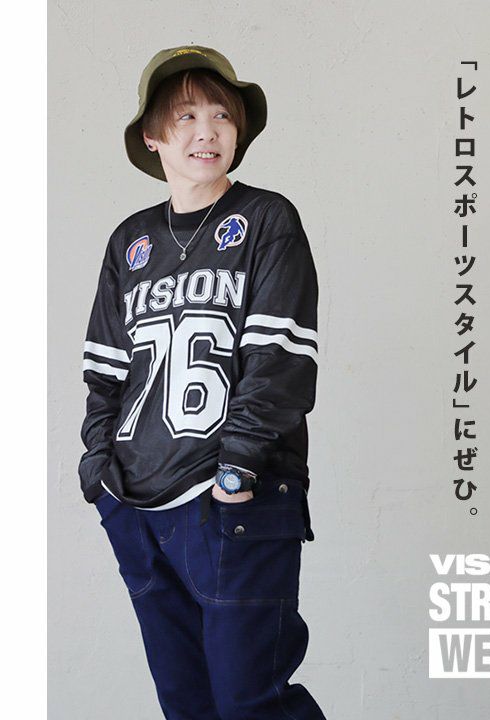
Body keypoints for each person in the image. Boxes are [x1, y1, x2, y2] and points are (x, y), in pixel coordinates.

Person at [78, 44, 326, 720]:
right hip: (138, 507)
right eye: (185, 116)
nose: (206, 131)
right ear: (153, 136)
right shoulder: (130, 242)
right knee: (187, 705)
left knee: (252, 702)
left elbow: (281, 359)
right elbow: (105, 371)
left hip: (235, 502)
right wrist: (101, 479)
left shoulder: (267, 220)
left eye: (221, 114)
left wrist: (237, 471)